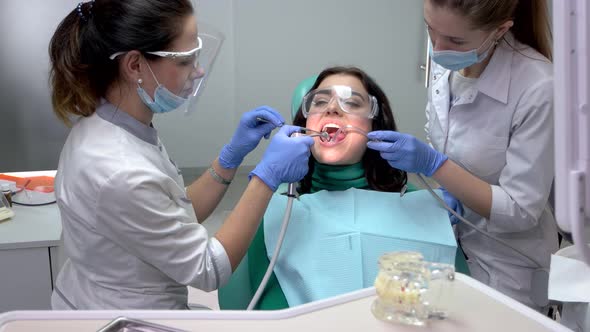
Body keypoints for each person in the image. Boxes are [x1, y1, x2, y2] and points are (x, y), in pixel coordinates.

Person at [48, 0, 313, 310]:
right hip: (122, 316)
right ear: (134, 65)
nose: (198, 71)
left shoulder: (118, 124)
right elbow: (209, 269)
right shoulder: (117, 168)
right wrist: (266, 179)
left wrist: (229, 160)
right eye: (187, 60)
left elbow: (176, 212)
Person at [219, 66, 465, 310]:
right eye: (320, 102)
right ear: (305, 123)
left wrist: (437, 220)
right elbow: (256, 302)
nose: (332, 108)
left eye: (352, 103)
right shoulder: (273, 205)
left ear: (374, 126)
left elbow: (454, 302)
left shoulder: (418, 204)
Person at [366, 0, 556, 310]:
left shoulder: (539, 87)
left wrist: (434, 165)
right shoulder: (446, 61)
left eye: (455, 41)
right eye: (431, 30)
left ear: (500, 30)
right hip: (451, 248)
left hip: (509, 266)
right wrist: (446, 188)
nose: (438, 50)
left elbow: (520, 210)